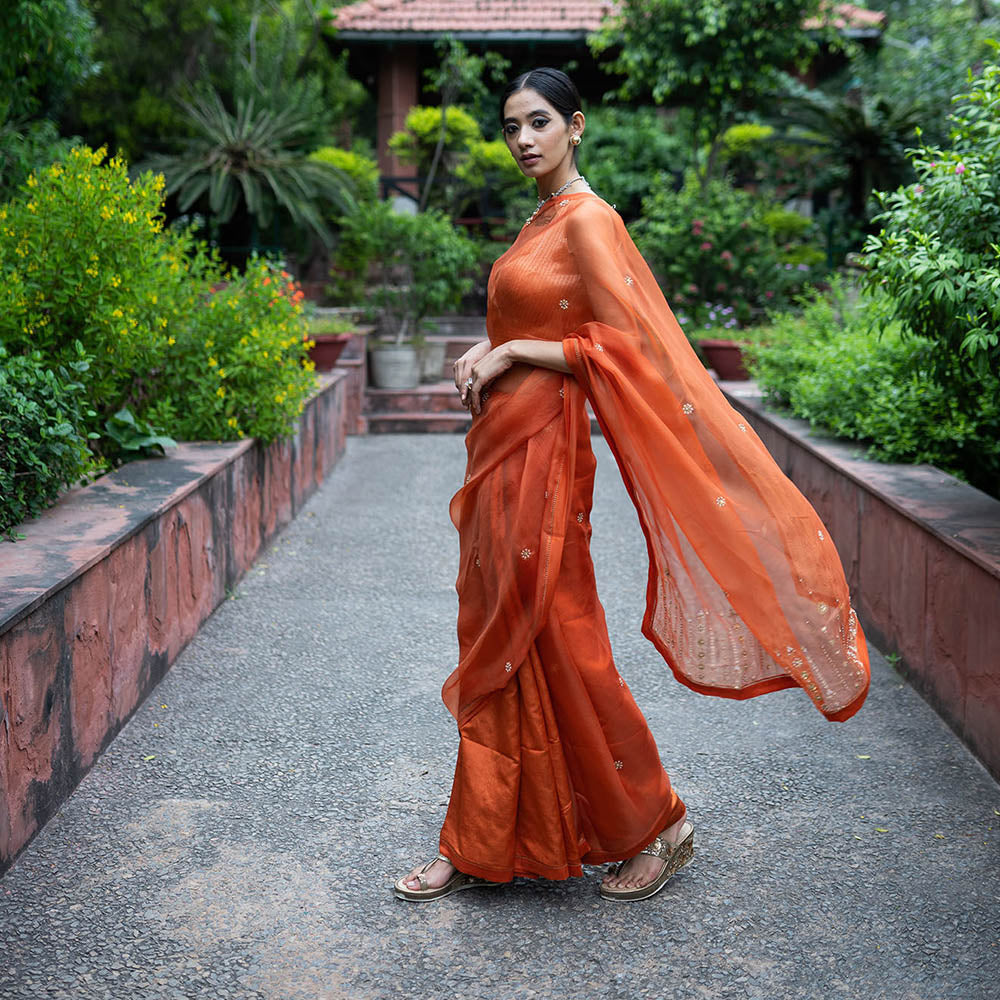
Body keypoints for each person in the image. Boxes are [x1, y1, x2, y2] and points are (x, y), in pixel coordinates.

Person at [394, 68, 870, 904]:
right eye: (511, 127)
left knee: (563, 640)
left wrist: (515, 355)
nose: (523, 140)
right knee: (501, 641)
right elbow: (542, 319)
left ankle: (662, 823)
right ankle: (479, 838)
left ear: (576, 126)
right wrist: (486, 347)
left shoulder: (590, 219)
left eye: (539, 122)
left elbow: (626, 349)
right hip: (501, 451)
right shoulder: (541, 219)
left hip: (547, 458)